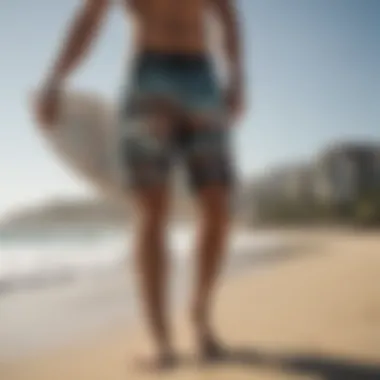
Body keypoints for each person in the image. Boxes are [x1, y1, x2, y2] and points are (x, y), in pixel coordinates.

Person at [35, 0, 244, 368]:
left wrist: (237, 76)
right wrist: (55, 77)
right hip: (148, 76)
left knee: (218, 208)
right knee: (151, 210)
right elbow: (90, 18)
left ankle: (200, 314)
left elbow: (226, 12)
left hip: (201, 77)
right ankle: (161, 340)